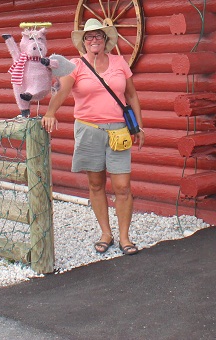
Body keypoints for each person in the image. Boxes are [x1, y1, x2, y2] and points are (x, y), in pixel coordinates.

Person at [42, 19, 146, 255]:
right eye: (89, 37)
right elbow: (63, 90)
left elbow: (132, 95)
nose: (94, 40)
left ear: (106, 39)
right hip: (88, 130)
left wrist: (139, 126)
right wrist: (50, 112)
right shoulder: (76, 66)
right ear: (83, 42)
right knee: (96, 184)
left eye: (98, 35)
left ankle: (125, 237)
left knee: (122, 186)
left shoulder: (119, 62)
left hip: (119, 130)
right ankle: (106, 233)